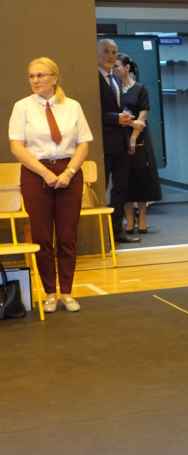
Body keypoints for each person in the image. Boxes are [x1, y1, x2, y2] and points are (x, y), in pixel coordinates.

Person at [9, 57, 93, 313]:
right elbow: (17, 147)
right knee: (42, 236)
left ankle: (66, 292)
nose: (35, 80)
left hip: (69, 171)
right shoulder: (22, 107)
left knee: (67, 236)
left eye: (41, 75)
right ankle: (49, 293)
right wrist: (45, 173)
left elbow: (83, 144)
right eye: (31, 76)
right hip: (36, 173)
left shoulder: (73, 106)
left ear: (54, 78)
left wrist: (69, 172)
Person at [97, 38, 140, 244]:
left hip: (121, 142)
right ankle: (102, 236)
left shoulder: (114, 78)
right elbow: (94, 111)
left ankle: (117, 232)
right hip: (104, 144)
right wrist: (116, 118)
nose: (111, 56)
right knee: (103, 188)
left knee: (121, 188)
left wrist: (126, 118)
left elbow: (116, 107)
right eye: (106, 51)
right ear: (97, 53)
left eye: (114, 52)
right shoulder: (94, 78)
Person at [114, 53, 162, 235]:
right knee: (124, 179)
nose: (115, 70)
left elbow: (142, 119)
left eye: (117, 66)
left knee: (142, 177)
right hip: (120, 138)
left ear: (127, 68)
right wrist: (130, 123)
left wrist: (133, 137)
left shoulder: (140, 89)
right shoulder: (114, 90)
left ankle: (142, 218)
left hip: (139, 139)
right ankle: (129, 220)